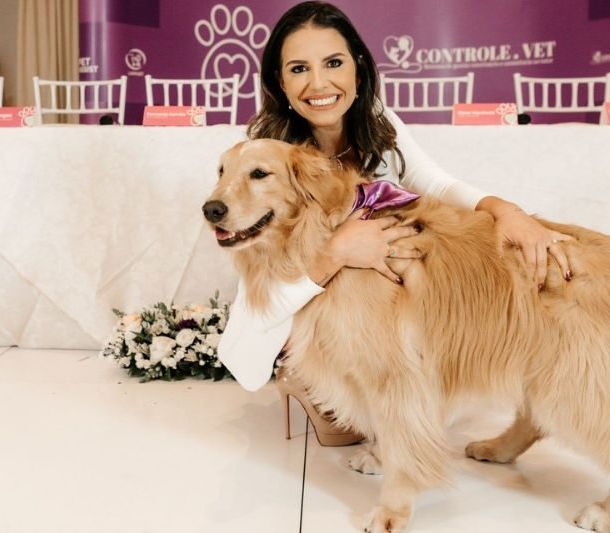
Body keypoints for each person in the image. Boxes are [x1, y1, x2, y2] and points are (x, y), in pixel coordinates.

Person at [218, 1, 572, 440]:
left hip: (378, 313)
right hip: (305, 307)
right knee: (349, 429)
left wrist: (507, 211)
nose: (318, 83)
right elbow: (264, 290)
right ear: (280, 81)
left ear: (358, 70)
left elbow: (437, 184)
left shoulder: (378, 125)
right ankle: (302, 372)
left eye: (333, 63)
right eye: (298, 68)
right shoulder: (262, 158)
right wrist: (336, 251)